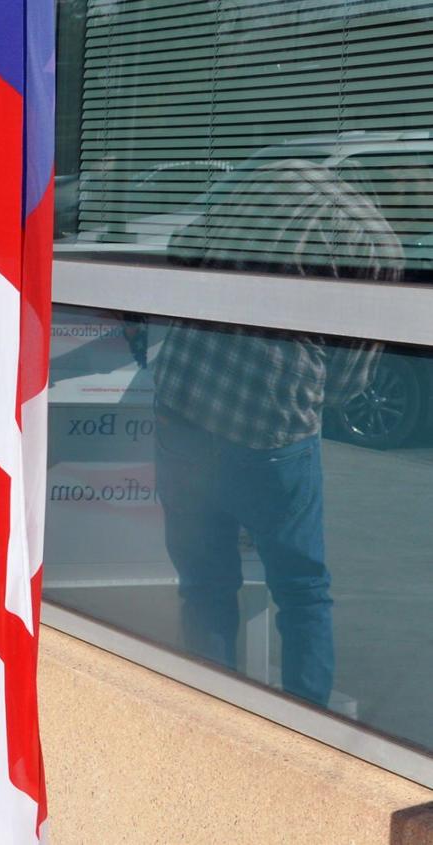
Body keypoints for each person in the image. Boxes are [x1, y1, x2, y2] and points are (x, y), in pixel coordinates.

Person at [152, 159, 403, 706]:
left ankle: (209, 715)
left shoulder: (273, 173)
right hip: (269, 432)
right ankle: (305, 727)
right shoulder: (377, 244)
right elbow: (346, 382)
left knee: (205, 585)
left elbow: (182, 249)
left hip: (184, 404)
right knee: (302, 590)